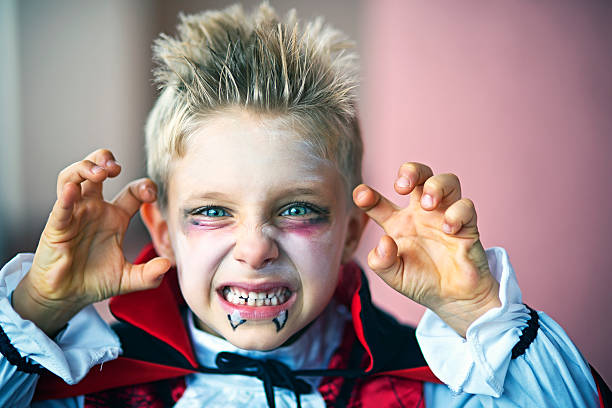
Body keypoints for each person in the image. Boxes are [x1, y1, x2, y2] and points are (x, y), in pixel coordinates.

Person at [0, 3, 607, 407]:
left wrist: (478, 310)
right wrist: (39, 307)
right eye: (212, 211)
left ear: (349, 232)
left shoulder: (431, 386)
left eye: (297, 210)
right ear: (160, 230)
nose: (256, 247)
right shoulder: (87, 387)